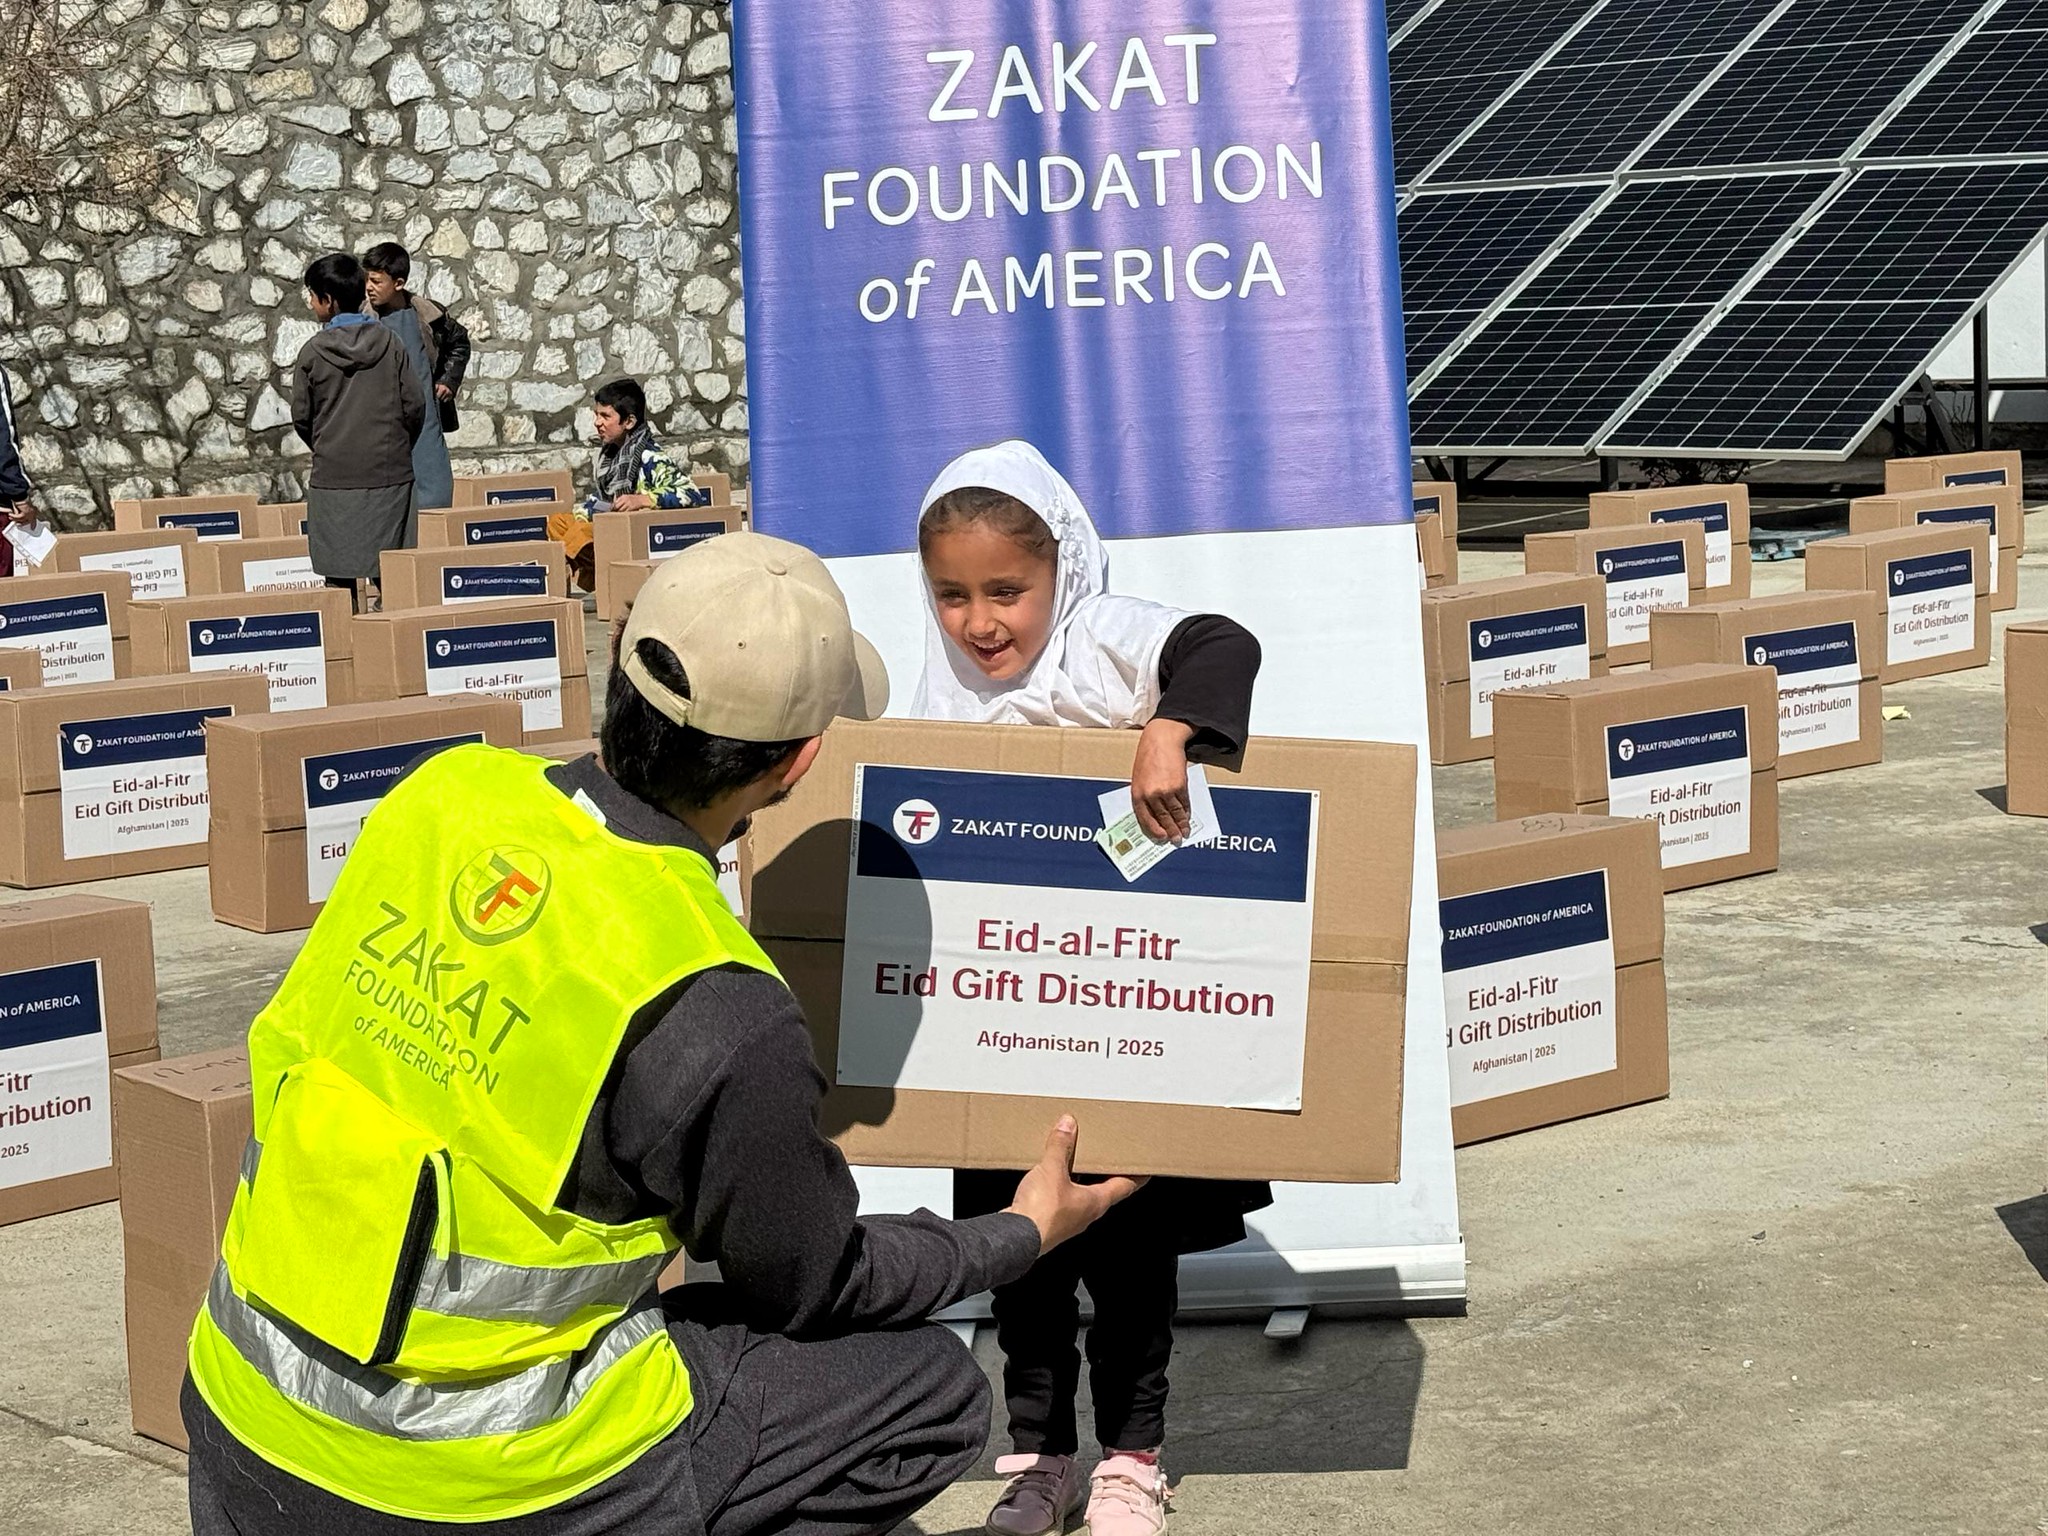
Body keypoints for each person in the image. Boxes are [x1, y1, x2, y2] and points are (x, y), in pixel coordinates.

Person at [181, 530, 1143, 1536]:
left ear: (620, 668)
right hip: (460, 1481)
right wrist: (1018, 1232)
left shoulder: (443, 794)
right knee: (926, 1391)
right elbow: (813, 1283)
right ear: (800, 761)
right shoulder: (708, 993)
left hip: (240, 1408)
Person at [910, 440, 1267, 1536]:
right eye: (952, 595)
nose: (980, 622)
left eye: (1006, 591)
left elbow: (1220, 643)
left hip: (1132, 1025)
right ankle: (1036, 1460)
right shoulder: (935, 694)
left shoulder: (1105, 643)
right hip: (1002, 1028)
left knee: (1128, 1262)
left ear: (1061, 568)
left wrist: (1165, 728)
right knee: (1020, 1259)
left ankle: (1129, 1459)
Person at [291, 253, 424, 612]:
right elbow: (414, 406)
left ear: (329, 301)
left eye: (313, 295)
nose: (311, 302)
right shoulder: (391, 343)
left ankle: (350, 657)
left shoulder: (312, 354)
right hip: (390, 474)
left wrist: (329, 446)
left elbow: (303, 417)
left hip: (334, 478)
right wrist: (395, 447)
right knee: (393, 577)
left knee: (339, 581)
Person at [546, 378, 711, 592]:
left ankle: (603, 576)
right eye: (597, 415)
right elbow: (604, 501)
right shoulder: (610, 456)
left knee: (581, 533)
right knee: (558, 522)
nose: (598, 422)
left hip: (635, 535)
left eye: (605, 416)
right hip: (610, 523)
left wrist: (643, 499)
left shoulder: (650, 457)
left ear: (629, 422)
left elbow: (691, 493)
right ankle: (600, 571)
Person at [361, 241, 469, 514]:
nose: (369, 287)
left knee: (435, 497)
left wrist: (448, 379)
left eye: (376, 281)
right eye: (367, 280)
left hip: (426, 421)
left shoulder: (427, 314)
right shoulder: (362, 321)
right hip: (382, 424)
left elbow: (459, 342)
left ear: (398, 283)